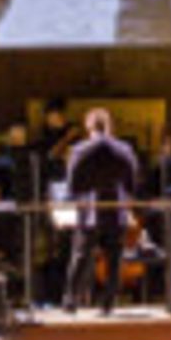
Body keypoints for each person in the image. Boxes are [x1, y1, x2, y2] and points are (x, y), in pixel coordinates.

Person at [62, 108, 140, 314]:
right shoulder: (125, 150)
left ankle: (71, 301)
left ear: (89, 127)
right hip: (116, 211)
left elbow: (72, 188)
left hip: (89, 213)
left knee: (80, 256)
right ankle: (108, 304)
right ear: (109, 126)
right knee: (114, 259)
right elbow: (132, 185)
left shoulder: (79, 150)